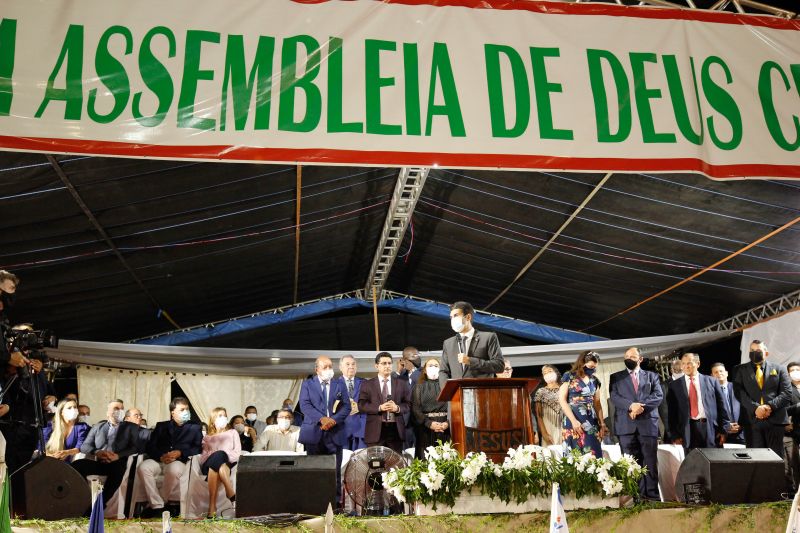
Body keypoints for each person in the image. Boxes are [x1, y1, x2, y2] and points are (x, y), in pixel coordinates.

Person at [609, 347, 663, 501]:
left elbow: (658, 395)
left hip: (647, 425)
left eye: (632, 356)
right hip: (626, 427)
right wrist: (631, 406)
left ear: (640, 359)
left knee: (650, 463)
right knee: (631, 464)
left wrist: (640, 407)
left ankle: (652, 498)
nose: (629, 359)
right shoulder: (616, 377)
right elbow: (614, 397)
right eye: (626, 356)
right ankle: (637, 498)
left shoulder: (652, 376)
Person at [138, 397, 203, 516]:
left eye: (187, 409)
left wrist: (180, 453)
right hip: (159, 460)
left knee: (173, 469)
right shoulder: (161, 426)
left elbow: (197, 448)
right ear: (173, 412)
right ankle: (157, 505)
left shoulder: (195, 427)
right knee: (143, 467)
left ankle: (160, 503)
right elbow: (150, 446)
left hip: (179, 461)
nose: (186, 412)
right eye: (182, 409)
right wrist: (161, 456)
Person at [298, 356, 350, 498]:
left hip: (335, 433)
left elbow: (346, 406)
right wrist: (322, 419)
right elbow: (305, 405)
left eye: (330, 366)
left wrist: (332, 420)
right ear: (317, 370)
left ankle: (335, 504)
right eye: (325, 367)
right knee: (314, 472)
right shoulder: (307, 384)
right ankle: (314, 502)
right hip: (314, 433)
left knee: (335, 473)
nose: (328, 369)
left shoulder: (339, 384)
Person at [733, 340, 792, 460]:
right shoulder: (739, 369)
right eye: (752, 350)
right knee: (755, 459)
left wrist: (769, 407)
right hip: (751, 420)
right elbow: (739, 392)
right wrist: (756, 408)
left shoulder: (779, 369)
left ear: (766, 353)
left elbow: (787, 393)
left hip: (775, 419)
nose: (755, 353)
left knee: (776, 458)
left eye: (758, 350)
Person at [73, 407, 144, 505]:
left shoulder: (131, 427)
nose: (118, 411)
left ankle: (100, 504)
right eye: (115, 409)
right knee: (77, 464)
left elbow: (135, 447)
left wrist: (118, 455)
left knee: (118, 469)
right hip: (99, 461)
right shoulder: (98, 427)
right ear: (108, 413)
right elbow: (84, 446)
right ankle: (79, 500)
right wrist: (97, 452)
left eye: (121, 408)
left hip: (117, 462)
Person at [666, 353, 733, 451]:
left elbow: (722, 407)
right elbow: (672, 413)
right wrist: (674, 435)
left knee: (712, 459)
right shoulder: (674, 386)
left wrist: (724, 430)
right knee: (692, 460)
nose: (686, 366)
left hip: (710, 429)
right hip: (687, 431)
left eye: (689, 363)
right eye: (683, 363)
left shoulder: (712, 381)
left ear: (698, 364)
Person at [359, 352, 411, 454]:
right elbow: (361, 405)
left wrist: (397, 408)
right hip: (375, 431)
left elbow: (408, 404)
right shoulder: (367, 384)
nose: (387, 366)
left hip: (395, 431)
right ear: (376, 366)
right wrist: (379, 408)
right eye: (384, 363)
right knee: (376, 463)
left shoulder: (401, 383)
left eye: (389, 363)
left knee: (395, 463)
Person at [439, 301, 505, 382]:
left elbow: (499, 365)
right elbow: (443, 371)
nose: (453, 320)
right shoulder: (448, 343)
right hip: (457, 389)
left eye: (456, 315)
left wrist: (470, 361)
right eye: (451, 317)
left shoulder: (488, 337)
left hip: (480, 388)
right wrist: (447, 389)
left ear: (468, 317)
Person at [559, 350, 607, 458]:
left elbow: (597, 403)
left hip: (591, 422)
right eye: (590, 366)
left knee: (594, 454)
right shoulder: (569, 376)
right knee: (574, 455)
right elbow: (562, 400)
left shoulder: (595, 380)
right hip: (573, 420)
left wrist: (602, 423)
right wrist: (573, 421)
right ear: (582, 363)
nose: (592, 369)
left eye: (595, 367)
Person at [201, 407, 240, 518]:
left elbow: (237, 452)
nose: (223, 418)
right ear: (213, 419)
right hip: (208, 464)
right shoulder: (207, 438)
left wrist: (223, 455)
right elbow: (203, 457)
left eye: (225, 415)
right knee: (218, 456)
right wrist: (216, 454)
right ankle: (229, 491)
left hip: (228, 464)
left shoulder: (233, 433)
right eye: (220, 416)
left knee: (219, 462)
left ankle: (212, 507)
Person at [411, 358, 450, 459]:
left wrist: (448, 423)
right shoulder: (419, 387)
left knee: (446, 459)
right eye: (430, 365)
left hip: (445, 427)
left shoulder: (447, 386)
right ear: (425, 370)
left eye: (436, 366)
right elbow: (415, 409)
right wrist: (429, 423)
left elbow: (454, 406)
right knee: (426, 460)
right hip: (426, 428)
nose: (433, 367)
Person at [42, 398, 90, 463]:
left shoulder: (82, 427)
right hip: (49, 462)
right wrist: (50, 456)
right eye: (69, 408)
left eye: (75, 407)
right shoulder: (51, 426)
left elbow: (80, 447)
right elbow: (42, 446)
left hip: (71, 464)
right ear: (61, 412)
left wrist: (67, 452)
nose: (73, 410)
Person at [710, 362, 744, 445]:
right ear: (711, 376)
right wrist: (725, 427)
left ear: (727, 373)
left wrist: (741, 425)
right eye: (716, 372)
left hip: (741, 433)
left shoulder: (738, 388)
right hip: (720, 435)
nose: (719, 374)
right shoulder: (709, 392)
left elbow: (745, 408)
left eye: (721, 371)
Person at [338, 354, 366, 451]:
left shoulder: (365, 383)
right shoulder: (334, 384)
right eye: (347, 364)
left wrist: (359, 407)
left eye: (353, 364)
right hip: (342, 428)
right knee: (344, 458)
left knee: (361, 458)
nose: (351, 366)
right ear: (340, 367)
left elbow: (372, 402)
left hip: (361, 429)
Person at [534, 365, 563, 447]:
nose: (547, 374)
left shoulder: (564, 388)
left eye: (550, 371)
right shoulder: (541, 392)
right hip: (548, 428)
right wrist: (544, 433)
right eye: (545, 373)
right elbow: (539, 415)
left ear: (556, 372)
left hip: (564, 426)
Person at [658, 359, 683, 443]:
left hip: (690, 429)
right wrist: (672, 435)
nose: (680, 372)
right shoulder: (663, 386)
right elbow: (664, 413)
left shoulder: (689, 382)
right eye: (677, 370)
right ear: (671, 370)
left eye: (681, 370)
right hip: (674, 432)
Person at [785, 362, 800, 491]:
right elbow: (784, 410)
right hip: (795, 432)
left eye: (797, 369)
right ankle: (796, 492)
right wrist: (798, 406)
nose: (795, 372)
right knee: (795, 463)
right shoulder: (787, 389)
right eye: (792, 370)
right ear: (788, 373)